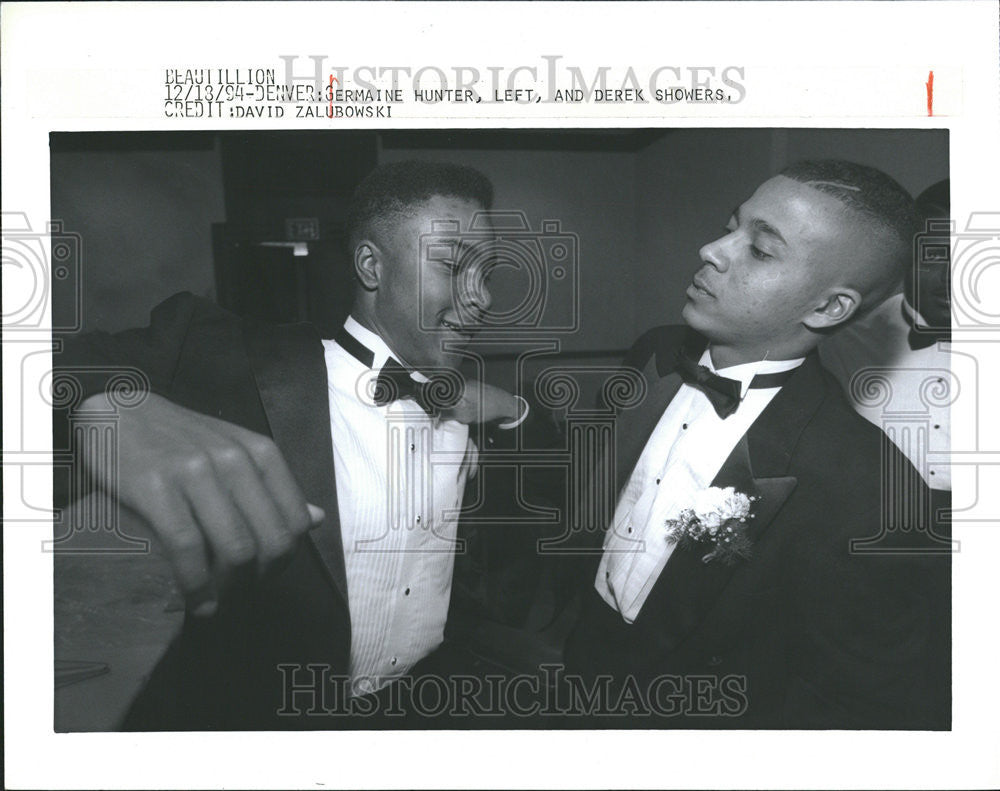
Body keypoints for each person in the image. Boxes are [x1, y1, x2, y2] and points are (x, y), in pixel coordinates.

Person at [54, 160, 536, 729]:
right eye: (454, 265)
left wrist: (517, 410)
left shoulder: (469, 408)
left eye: (487, 272)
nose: (480, 297)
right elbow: (56, 372)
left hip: (426, 707)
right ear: (371, 265)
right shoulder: (242, 362)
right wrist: (105, 405)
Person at [561, 160, 951, 729]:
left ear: (827, 307)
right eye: (731, 225)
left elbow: (867, 703)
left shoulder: (867, 491)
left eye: (760, 251)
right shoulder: (654, 365)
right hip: (583, 669)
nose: (711, 249)